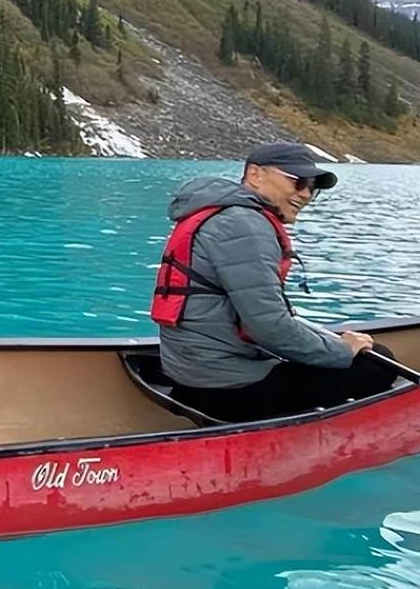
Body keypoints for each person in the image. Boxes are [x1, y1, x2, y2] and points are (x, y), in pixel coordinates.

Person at [151, 142, 397, 422]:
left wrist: (330, 343)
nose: (305, 194)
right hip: (222, 389)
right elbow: (270, 328)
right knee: (376, 362)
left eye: (312, 187)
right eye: (298, 182)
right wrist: (342, 350)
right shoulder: (243, 224)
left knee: (344, 354)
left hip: (192, 373)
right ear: (256, 174)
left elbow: (263, 318)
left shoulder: (221, 212)